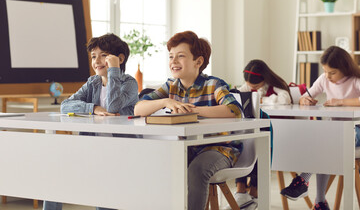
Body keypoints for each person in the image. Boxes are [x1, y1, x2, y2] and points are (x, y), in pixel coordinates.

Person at [134, 31, 243, 210]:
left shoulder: (214, 85)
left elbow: (234, 110)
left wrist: (194, 110)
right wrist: (165, 101)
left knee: (197, 170)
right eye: (171, 57)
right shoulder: (170, 86)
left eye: (180, 56)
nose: (173, 62)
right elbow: (138, 108)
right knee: (153, 163)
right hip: (185, 147)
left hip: (220, 148)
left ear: (198, 62)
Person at [43, 33, 138, 210]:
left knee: (104, 192)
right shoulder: (92, 82)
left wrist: (113, 71)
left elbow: (113, 106)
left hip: (120, 151)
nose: (97, 61)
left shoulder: (130, 84)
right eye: (93, 56)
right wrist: (93, 108)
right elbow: (65, 105)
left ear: (120, 58)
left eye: (103, 55)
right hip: (91, 147)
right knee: (54, 177)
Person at [280, 46, 360, 210]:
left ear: (344, 68)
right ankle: (319, 200)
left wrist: (340, 101)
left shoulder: (355, 79)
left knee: (326, 141)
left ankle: (306, 184)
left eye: (332, 72)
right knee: (324, 142)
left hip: (356, 129)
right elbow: (306, 95)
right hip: (333, 133)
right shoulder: (324, 79)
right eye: (325, 71)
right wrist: (305, 100)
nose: (328, 76)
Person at [225, 59, 292, 210]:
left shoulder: (275, 87)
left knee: (258, 145)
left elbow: (285, 99)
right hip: (255, 130)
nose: (251, 87)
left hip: (277, 130)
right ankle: (241, 189)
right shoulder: (247, 86)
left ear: (265, 79)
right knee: (243, 142)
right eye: (249, 85)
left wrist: (262, 99)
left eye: (255, 86)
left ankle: (254, 190)